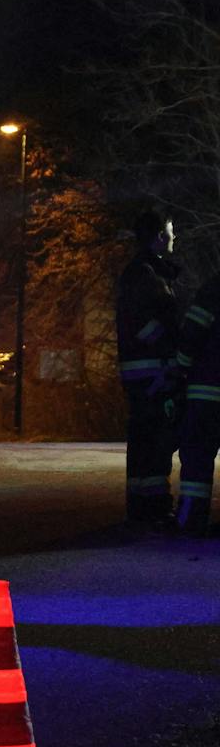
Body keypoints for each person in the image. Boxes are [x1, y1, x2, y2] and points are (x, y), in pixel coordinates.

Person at [114, 208, 184, 528]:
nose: (174, 237)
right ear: (159, 237)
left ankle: (146, 507)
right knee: (152, 442)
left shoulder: (149, 272)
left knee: (151, 441)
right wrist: (170, 349)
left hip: (150, 371)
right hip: (150, 373)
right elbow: (142, 323)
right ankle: (150, 509)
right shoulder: (143, 274)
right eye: (171, 232)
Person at [174, 272, 220, 535]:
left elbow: (192, 333)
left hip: (207, 391)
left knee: (197, 458)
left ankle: (191, 518)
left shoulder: (213, 289)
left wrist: (181, 368)